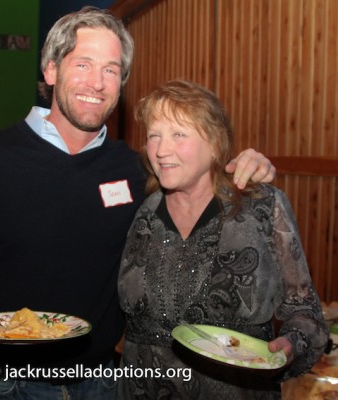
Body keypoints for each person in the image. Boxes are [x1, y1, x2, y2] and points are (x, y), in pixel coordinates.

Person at [0, 7, 276, 400]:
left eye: (111, 70)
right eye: (83, 64)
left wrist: (244, 168)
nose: (97, 83)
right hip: (0, 382)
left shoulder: (139, 170)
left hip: (101, 382)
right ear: (50, 71)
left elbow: (199, 187)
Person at [117, 79, 329, 399]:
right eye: (153, 136)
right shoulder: (143, 212)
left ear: (215, 144)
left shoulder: (262, 208)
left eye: (179, 134)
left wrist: (291, 344)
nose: (161, 150)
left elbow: (306, 311)